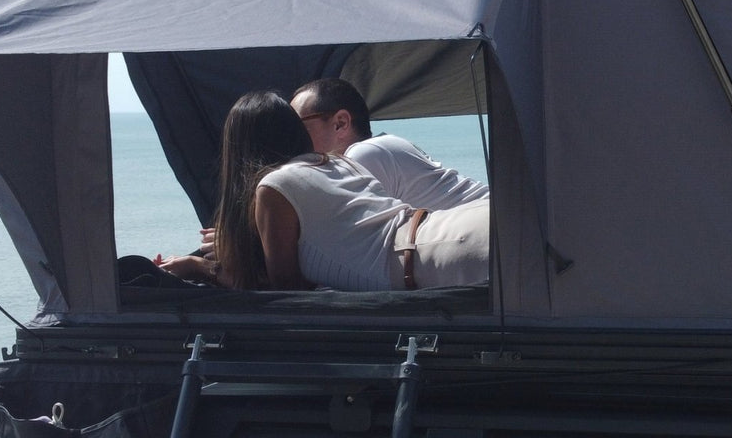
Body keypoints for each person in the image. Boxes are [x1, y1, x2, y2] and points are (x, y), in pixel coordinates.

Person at [161, 90, 488, 292]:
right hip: (455, 227)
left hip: (437, 255)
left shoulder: (273, 189)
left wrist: (199, 267)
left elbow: (283, 291)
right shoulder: (335, 164)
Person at [290, 77, 488, 210]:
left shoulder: (364, 155)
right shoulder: (381, 149)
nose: (293, 136)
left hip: (498, 235)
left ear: (340, 124)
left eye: (298, 125)